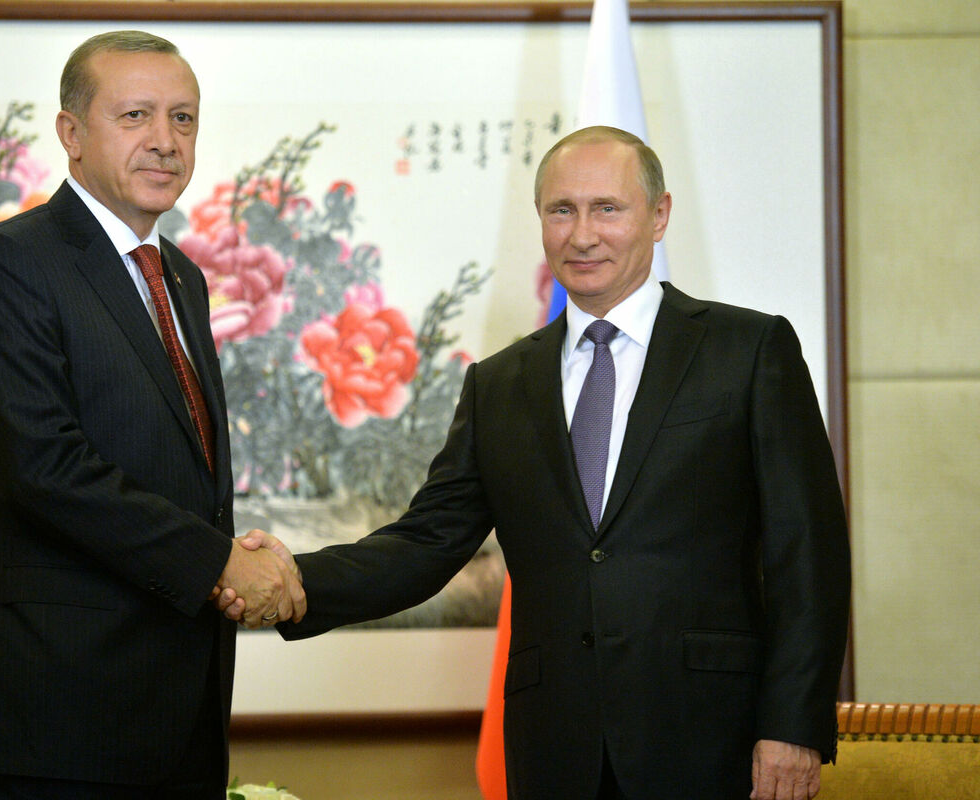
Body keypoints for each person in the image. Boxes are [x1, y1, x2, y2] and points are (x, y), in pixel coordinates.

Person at [234, 125, 850, 799]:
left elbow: (808, 552)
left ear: (659, 215)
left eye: (607, 208)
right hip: (555, 745)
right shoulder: (499, 384)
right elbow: (425, 543)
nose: (582, 235)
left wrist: (793, 724)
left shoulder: (748, 349)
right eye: (562, 210)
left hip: (713, 738)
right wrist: (296, 581)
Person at [0, 31, 304, 799]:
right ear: (71, 133)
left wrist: (227, 556)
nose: (165, 141)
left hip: (180, 713)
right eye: (136, 115)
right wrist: (218, 564)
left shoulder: (183, 278)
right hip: (57, 719)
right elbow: (42, 467)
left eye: (183, 118)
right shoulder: (10, 262)